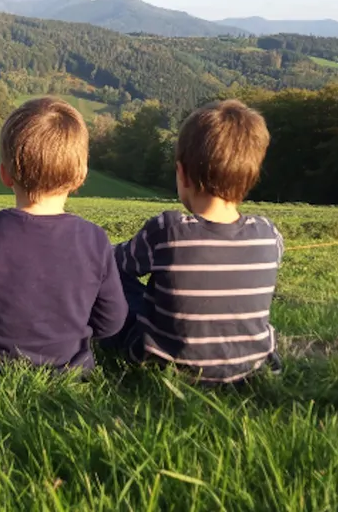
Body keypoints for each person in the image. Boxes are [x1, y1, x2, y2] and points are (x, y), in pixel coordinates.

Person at [0, 97, 128, 375]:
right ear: (80, 176)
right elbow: (111, 321)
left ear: (4, 174)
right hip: (68, 370)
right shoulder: (94, 239)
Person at [105, 99, 283, 385]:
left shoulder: (167, 229)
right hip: (251, 368)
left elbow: (115, 263)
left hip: (165, 367)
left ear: (182, 173)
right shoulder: (268, 234)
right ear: (251, 175)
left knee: (117, 283)